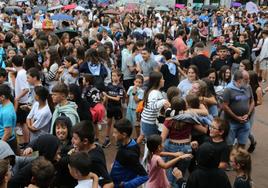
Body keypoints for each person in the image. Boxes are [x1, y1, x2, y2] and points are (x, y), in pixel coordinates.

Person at [71, 121, 113, 188]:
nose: (72, 141)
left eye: (75, 138)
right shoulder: (95, 146)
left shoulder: (94, 159)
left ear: (85, 141)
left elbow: (109, 183)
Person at [110, 119, 148, 188]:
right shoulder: (131, 143)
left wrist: (125, 185)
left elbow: (144, 176)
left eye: (115, 133)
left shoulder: (129, 154)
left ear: (124, 135)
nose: (113, 135)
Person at [223, 70, 255, 148]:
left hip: (245, 122)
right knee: (229, 146)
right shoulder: (228, 89)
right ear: (238, 80)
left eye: (248, 79)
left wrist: (248, 114)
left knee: (242, 145)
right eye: (246, 80)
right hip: (231, 123)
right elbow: (225, 106)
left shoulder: (248, 87)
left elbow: (252, 102)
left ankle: (239, 160)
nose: (248, 81)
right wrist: (236, 118)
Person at [102, 70, 124, 148]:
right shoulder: (109, 85)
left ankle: (119, 140)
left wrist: (107, 96)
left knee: (118, 125)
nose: (113, 77)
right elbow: (105, 97)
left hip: (117, 108)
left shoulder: (120, 87)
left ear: (119, 77)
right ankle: (107, 138)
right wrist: (103, 104)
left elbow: (118, 99)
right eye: (112, 75)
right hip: (110, 108)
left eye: (115, 75)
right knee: (108, 123)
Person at [12, 55, 30, 145]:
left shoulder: (20, 74)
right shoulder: (22, 71)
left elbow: (26, 89)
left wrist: (17, 98)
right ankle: (25, 141)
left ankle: (26, 142)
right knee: (22, 123)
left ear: (13, 64)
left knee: (23, 124)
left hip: (22, 102)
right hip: (22, 101)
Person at [0, 84, 17, 154]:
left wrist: (1, 145)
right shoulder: (5, 104)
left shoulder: (7, 112)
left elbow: (7, 133)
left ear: (2, 97)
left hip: (6, 142)